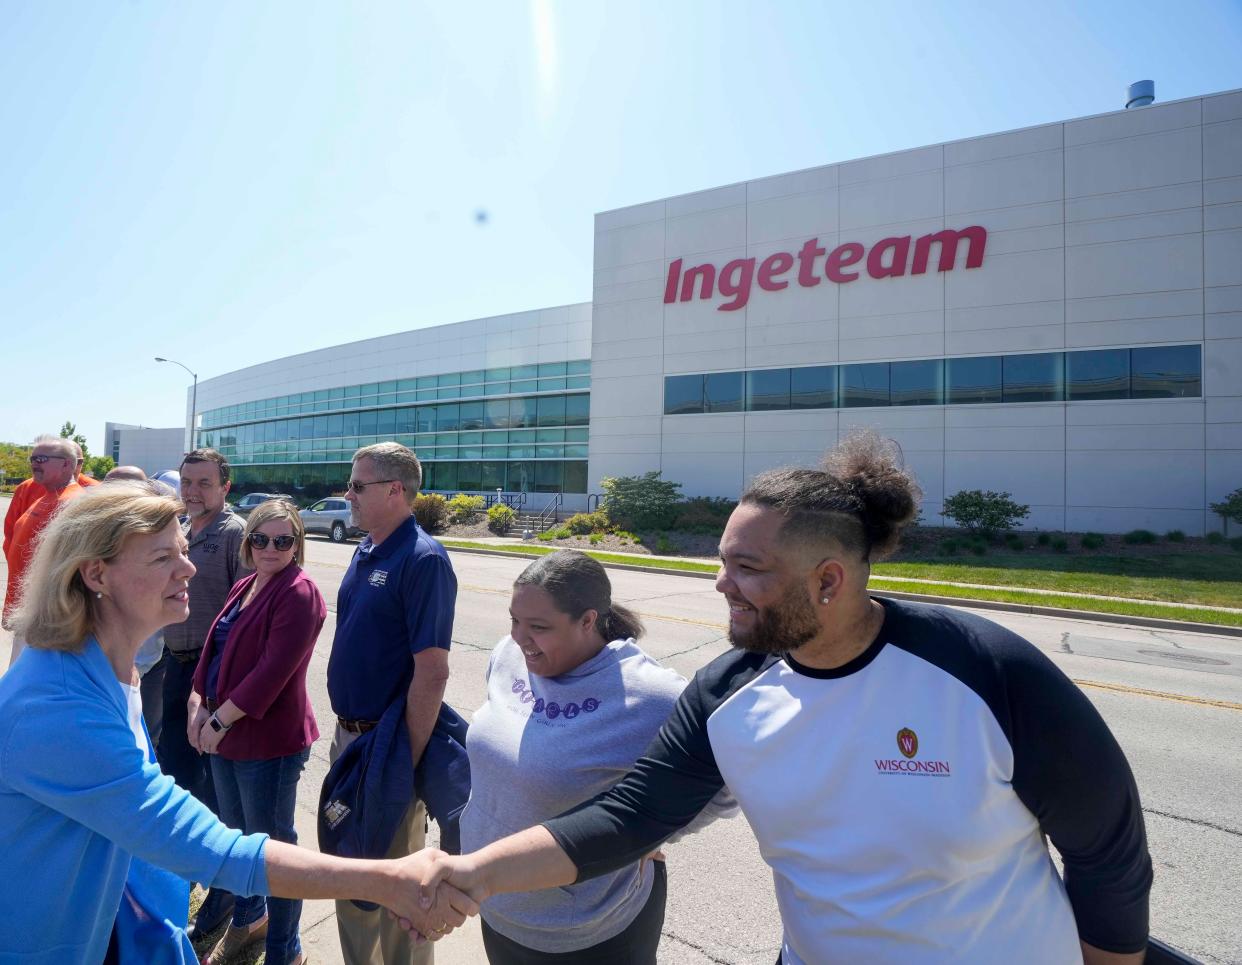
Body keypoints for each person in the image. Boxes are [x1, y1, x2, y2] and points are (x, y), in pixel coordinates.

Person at [413, 432, 1154, 965]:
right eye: (722, 561)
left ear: (827, 581)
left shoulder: (987, 672)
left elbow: (1108, 853)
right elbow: (628, 816)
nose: (719, 583)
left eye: (746, 566)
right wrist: (476, 870)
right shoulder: (727, 694)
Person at [0, 481, 477, 963]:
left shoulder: (102, 672)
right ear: (96, 574)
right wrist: (387, 880)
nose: (188, 567)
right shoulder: (59, 707)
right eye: (163, 557)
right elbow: (208, 849)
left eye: (183, 549)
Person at [461, 549, 735, 964]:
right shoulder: (508, 656)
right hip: (498, 906)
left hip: (588, 931)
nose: (520, 637)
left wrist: (651, 835)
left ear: (588, 621)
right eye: (514, 620)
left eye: (538, 626)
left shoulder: (649, 695)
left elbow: (722, 783)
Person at [326, 442, 457, 965]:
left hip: (387, 746)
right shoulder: (367, 548)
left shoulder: (423, 559)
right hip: (349, 739)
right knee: (350, 870)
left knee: (401, 883)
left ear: (395, 491)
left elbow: (432, 671)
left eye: (358, 486)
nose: (348, 495)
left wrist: (406, 755)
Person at [190, 500, 326, 965]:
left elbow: (273, 671)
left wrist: (219, 719)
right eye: (261, 539)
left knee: (273, 850)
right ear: (248, 541)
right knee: (235, 837)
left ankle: (285, 949)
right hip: (224, 733)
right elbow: (214, 649)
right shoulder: (248, 583)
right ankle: (249, 919)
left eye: (283, 540)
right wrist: (196, 703)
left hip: (268, 742)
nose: (271, 548)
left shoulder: (299, 592)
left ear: (297, 544)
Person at [159, 447, 251, 940]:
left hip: (210, 675)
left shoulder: (234, 534)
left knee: (215, 794)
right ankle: (181, 873)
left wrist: (217, 689)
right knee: (176, 777)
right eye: (187, 482)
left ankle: (225, 898)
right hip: (175, 668)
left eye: (203, 483)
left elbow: (244, 614)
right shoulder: (183, 527)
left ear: (225, 488)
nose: (192, 491)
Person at [4, 435, 87, 667]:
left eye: (42, 458)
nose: (34, 463)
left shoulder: (73, 503)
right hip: (29, 611)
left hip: (46, 616)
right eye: (33, 458)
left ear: (67, 465)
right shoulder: (46, 495)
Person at [103, 465, 169, 738]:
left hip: (150, 663)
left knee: (146, 738)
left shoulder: (159, 535)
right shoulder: (87, 543)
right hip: (99, 664)